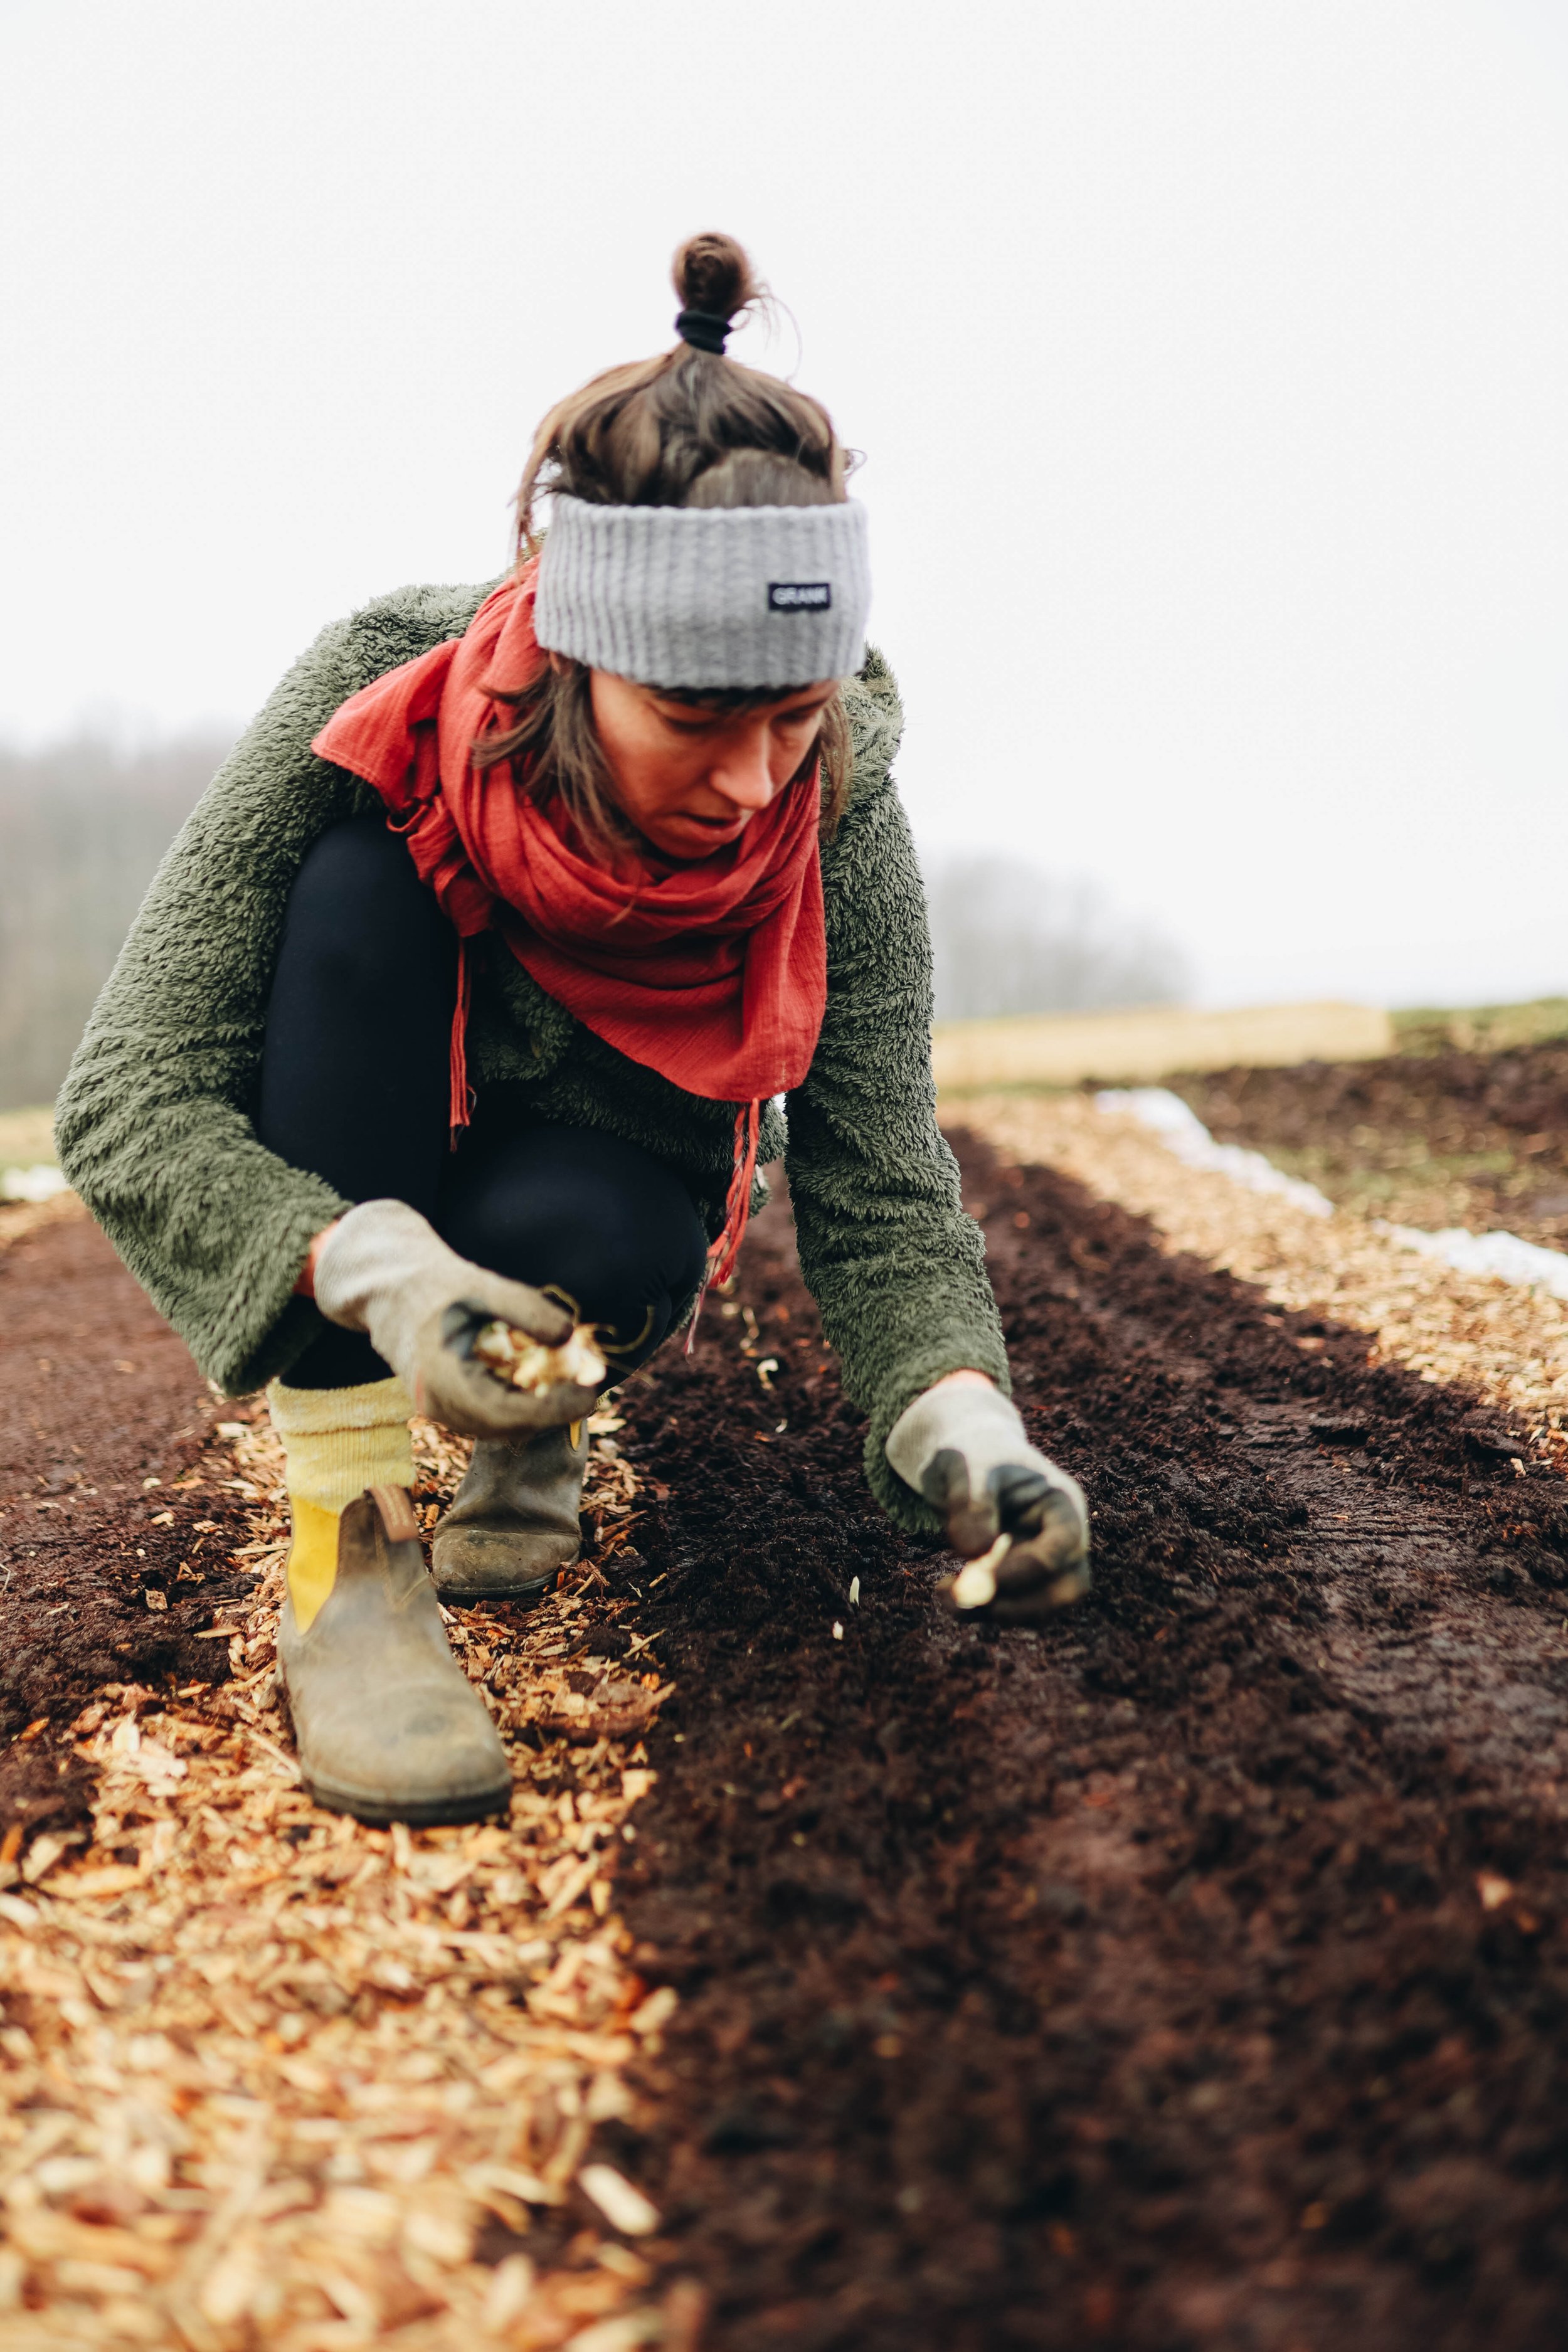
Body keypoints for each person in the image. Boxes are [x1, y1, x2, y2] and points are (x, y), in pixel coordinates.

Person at [58, 233, 1090, 1828]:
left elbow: (879, 1168)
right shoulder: (378, 685)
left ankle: (532, 1414)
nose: (754, 779)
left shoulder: (830, 805)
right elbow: (130, 1097)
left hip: (593, 1198)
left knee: (602, 1225)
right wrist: (377, 1271)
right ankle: (353, 1556)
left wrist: (968, 1428)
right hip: (369, 1157)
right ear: (575, 650)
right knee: (355, 885)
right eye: (695, 718)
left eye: (793, 715)